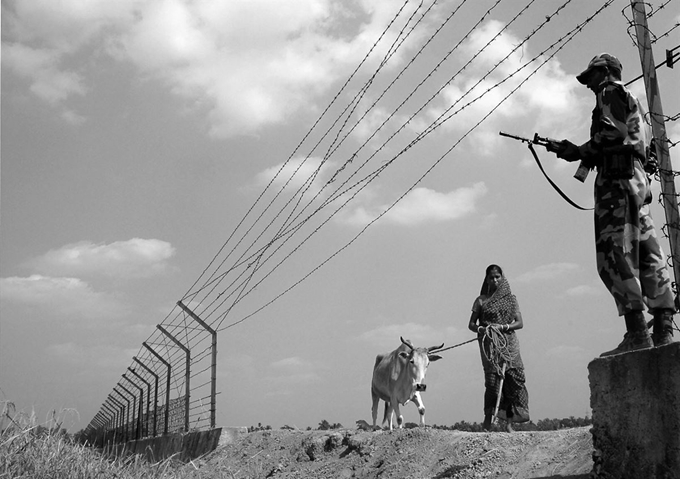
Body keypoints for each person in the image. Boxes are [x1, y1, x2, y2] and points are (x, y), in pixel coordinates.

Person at [546, 53, 676, 357]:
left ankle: (637, 333)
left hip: (616, 183)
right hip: (636, 180)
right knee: (647, 252)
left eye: (590, 76)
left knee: (614, 253)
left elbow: (613, 133)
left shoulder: (608, 93)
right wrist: (579, 152)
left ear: (605, 73)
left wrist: (579, 150)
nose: (588, 83)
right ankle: (664, 328)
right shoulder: (633, 100)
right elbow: (642, 144)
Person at [468, 264, 530, 432]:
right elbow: (471, 324)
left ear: (503, 278)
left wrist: (503, 327)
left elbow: (520, 323)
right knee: (492, 383)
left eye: (497, 277)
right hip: (489, 345)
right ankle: (487, 422)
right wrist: (482, 329)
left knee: (513, 380)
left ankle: (509, 423)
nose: (494, 280)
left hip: (509, 344)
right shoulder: (480, 300)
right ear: (486, 280)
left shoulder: (511, 299)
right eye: (491, 277)